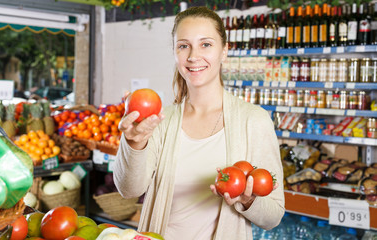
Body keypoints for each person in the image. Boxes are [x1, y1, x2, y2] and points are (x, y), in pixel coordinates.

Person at [114, 6, 284, 240]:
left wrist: (249, 200)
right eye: (184, 46)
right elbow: (128, 190)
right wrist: (133, 143)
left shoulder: (254, 120)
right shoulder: (160, 121)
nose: (193, 56)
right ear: (175, 53)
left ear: (224, 51)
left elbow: (274, 217)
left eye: (206, 44)